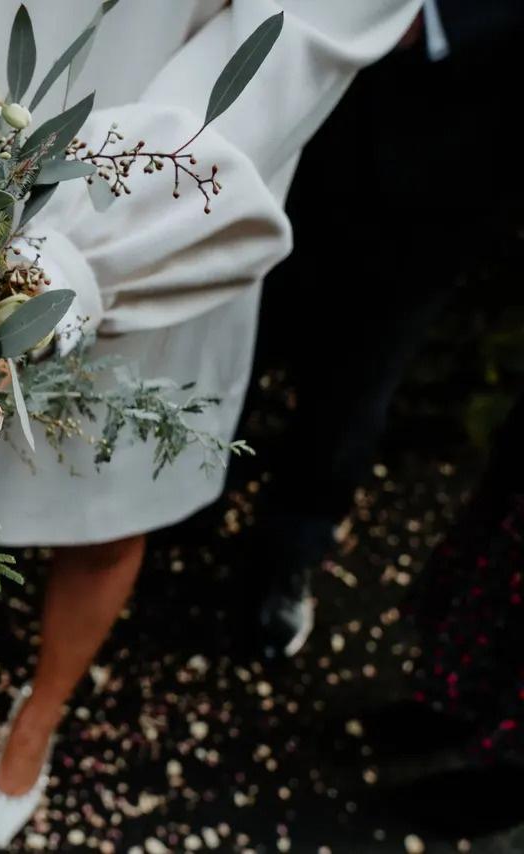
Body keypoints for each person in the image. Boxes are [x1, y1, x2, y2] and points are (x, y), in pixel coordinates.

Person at [0, 0, 422, 846]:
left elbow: (295, 37)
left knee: (108, 523)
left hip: (171, 216)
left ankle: (38, 717)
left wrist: (79, 244)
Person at [247, 0, 524, 660]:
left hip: (451, 166)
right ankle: (174, 515)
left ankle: (290, 555)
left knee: (355, 388)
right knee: (240, 339)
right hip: (301, 125)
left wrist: (428, 20)